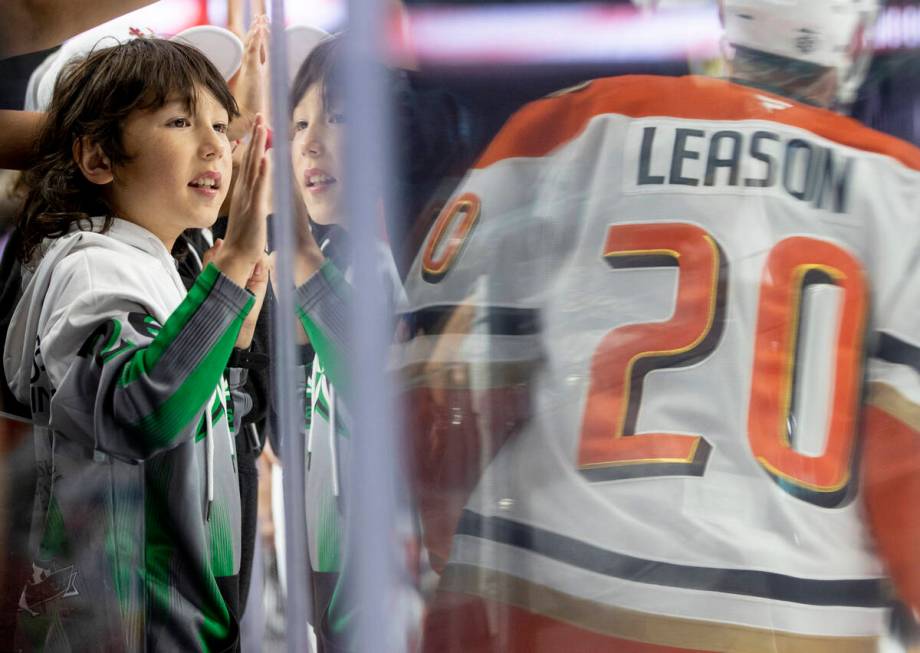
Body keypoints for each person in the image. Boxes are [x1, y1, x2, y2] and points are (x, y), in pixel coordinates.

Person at [400, 0, 920, 651]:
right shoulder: (902, 189)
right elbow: (907, 461)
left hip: (533, 602)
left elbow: (438, 378)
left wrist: (448, 533)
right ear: (853, 43)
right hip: (787, 623)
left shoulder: (572, 126)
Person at [3, 37, 271, 651]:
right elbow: (141, 416)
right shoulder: (93, 265)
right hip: (127, 628)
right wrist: (229, 269)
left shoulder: (164, 263)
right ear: (99, 157)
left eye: (221, 125)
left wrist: (234, 345)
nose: (215, 146)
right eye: (179, 121)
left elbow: (210, 457)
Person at [285, 34, 410, 652]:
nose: (309, 144)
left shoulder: (403, 262)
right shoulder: (342, 262)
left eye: (338, 117)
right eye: (299, 122)